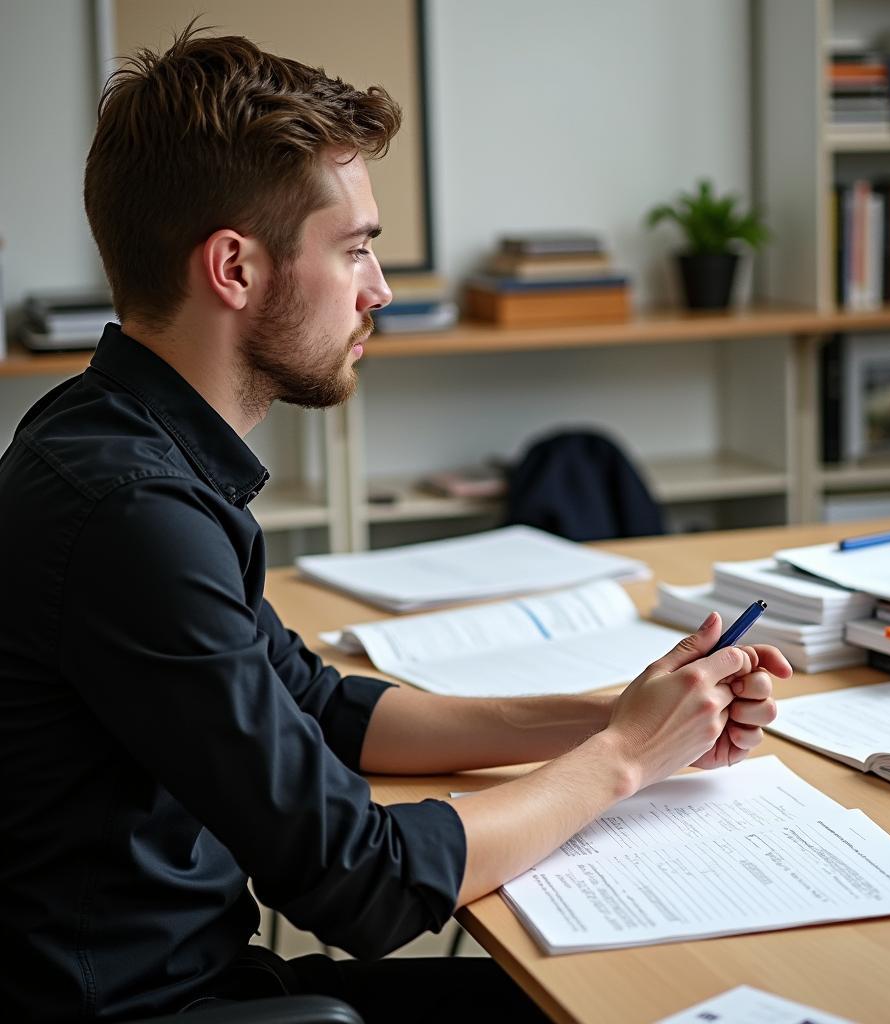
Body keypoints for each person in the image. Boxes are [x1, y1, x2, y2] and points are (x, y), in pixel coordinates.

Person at [0, 25, 790, 1024]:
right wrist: (623, 761)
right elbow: (355, 881)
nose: (378, 290)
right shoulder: (128, 511)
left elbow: (325, 711)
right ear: (234, 269)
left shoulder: (120, 443)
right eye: (357, 249)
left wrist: (624, 713)